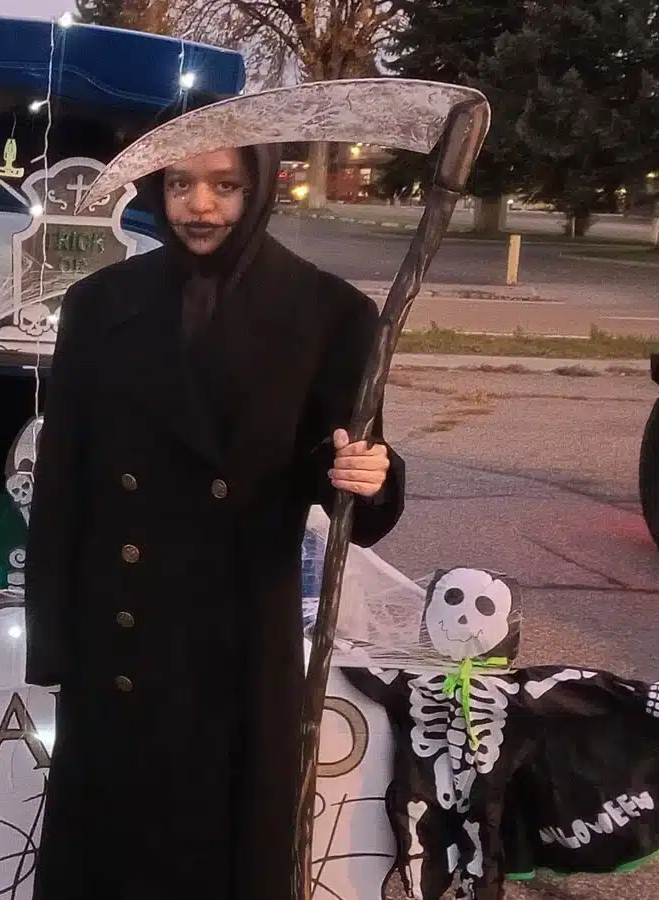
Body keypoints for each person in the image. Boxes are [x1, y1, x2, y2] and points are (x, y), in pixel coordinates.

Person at [23, 144, 406, 899]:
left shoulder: (332, 314)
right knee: (111, 859)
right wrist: (56, 642)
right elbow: (63, 481)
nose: (200, 206)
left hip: (238, 644)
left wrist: (369, 476)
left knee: (225, 856)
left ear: (258, 189)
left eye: (225, 186)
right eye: (181, 185)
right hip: (120, 639)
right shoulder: (99, 304)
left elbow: (348, 478)